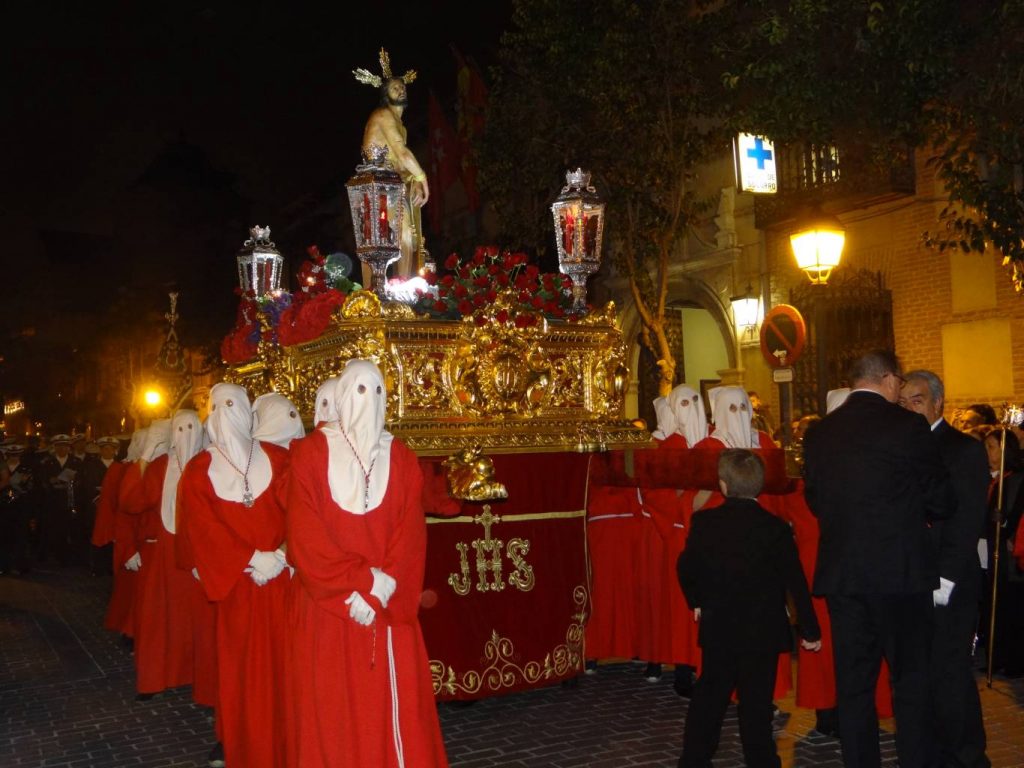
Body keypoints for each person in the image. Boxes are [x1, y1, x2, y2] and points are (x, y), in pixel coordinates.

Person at [288, 359, 448, 767]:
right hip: (330, 610)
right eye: (359, 390)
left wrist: (380, 589)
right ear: (341, 395)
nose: (370, 400)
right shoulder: (309, 455)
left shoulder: (402, 458)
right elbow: (306, 536)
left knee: (391, 714)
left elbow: (411, 535)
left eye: (378, 390)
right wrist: (357, 581)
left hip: (385, 610)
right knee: (332, 713)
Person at [803, 350, 953, 768]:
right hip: (901, 575)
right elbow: (941, 499)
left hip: (846, 577)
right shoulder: (908, 426)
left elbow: (814, 499)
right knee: (910, 682)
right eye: (900, 384)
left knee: (853, 687)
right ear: (889, 379)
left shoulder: (820, 433)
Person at [677, 449, 821, 768]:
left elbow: (686, 566)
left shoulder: (705, 522)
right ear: (759, 486)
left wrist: (697, 599)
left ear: (723, 485)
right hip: (762, 630)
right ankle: (761, 761)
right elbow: (795, 582)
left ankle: (694, 760)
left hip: (720, 626)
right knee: (756, 704)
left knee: (709, 698)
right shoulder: (776, 529)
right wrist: (809, 629)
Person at [178, 384, 291, 768]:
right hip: (238, 588)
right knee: (242, 670)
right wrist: (249, 558)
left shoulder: (279, 458)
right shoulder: (198, 471)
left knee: (287, 666)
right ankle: (242, 740)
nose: (226, 412)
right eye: (218, 405)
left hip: (284, 582)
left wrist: (283, 554)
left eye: (234, 404)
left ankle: (290, 738)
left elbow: (303, 510)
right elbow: (202, 528)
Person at [900, 370, 990, 767]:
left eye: (916, 400)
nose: (908, 408)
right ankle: (930, 751)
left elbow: (967, 519)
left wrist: (945, 579)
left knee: (951, 671)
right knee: (920, 672)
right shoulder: (900, 447)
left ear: (938, 402)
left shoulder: (963, 449)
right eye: (903, 402)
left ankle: (967, 755)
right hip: (909, 575)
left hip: (948, 579)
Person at [122, 416, 197, 698]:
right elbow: (131, 502)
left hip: (198, 556)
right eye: (179, 429)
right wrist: (146, 455)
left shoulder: (206, 463)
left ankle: (196, 676)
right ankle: (157, 676)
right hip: (162, 553)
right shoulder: (160, 468)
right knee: (157, 620)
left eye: (190, 428)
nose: (184, 435)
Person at [355, 48, 430, 279]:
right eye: (395, 87)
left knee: (405, 235)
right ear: (386, 94)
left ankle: (403, 287)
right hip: (377, 185)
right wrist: (422, 178)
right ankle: (373, 293)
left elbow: (400, 163)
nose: (401, 89)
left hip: (391, 184)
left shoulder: (402, 126)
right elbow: (403, 153)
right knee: (377, 241)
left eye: (403, 86)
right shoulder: (383, 115)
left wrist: (412, 181)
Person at [981, 427, 1024, 677]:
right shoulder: (993, 479)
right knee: (995, 603)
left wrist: (1005, 524)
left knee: (1012, 606)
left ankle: (1014, 659)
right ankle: (997, 655)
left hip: (1010, 555)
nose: (987, 452)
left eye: (992, 447)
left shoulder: (1016, 479)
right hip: (991, 551)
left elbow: (1015, 513)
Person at [37, 434, 83, 566]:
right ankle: (51, 553)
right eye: (59, 446)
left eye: (65, 446)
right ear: (55, 447)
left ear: (69, 447)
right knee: (52, 527)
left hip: (69, 499)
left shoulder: (76, 462)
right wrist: (50, 481)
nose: (62, 449)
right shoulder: (47, 462)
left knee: (69, 527)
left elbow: (81, 480)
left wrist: (74, 482)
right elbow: (41, 480)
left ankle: (67, 555)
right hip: (52, 500)